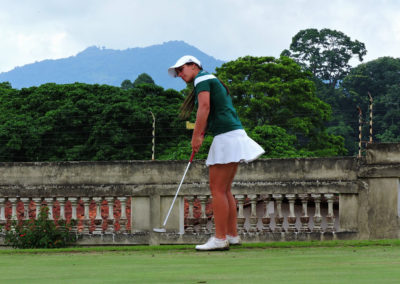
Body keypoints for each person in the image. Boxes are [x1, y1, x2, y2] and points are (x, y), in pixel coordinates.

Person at [168, 55, 265, 251]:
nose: (179, 74)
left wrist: (197, 136)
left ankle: (220, 238)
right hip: (232, 134)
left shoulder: (202, 79)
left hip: (227, 136)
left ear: (193, 66)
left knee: (218, 190)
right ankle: (232, 235)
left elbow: (204, 107)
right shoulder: (208, 79)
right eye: (177, 72)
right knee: (225, 189)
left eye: (181, 69)